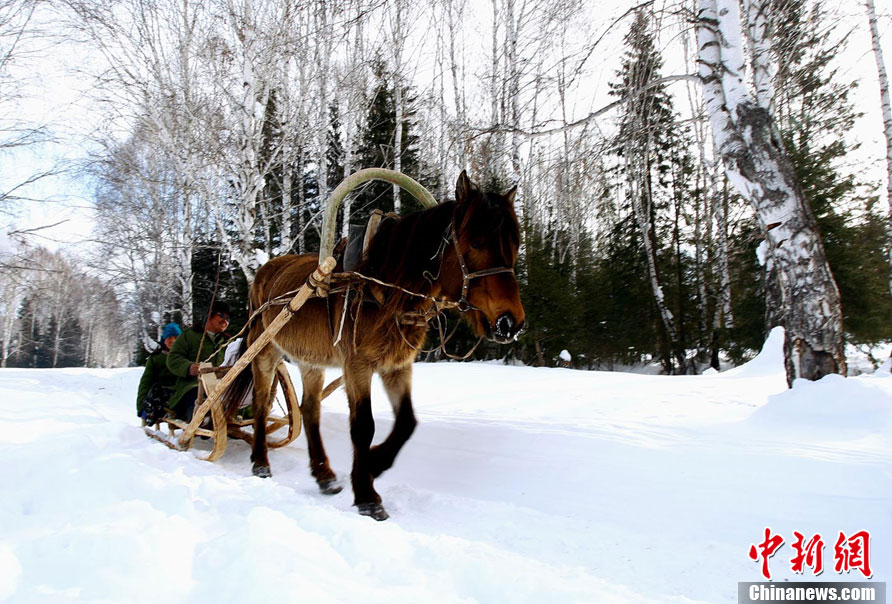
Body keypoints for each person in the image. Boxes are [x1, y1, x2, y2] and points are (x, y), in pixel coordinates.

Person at [166, 301, 231, 421]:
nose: (225, 320)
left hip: (220, 387)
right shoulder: (189, 335)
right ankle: (202, 419)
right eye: (221, 315)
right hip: (191, 387)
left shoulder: (227, 341)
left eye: (228, 318)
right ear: (210, 314)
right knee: (198, 394)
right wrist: (188, 367)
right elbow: (173, 358)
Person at [137, 322, 182, 423]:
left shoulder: (185, 357)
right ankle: (152, 411)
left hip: (180, 393)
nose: (173, 341)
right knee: (156, 391)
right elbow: (146, 382)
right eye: (169, 338)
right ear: (164, 340)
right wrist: (141, 407)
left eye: (176, 337)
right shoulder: (156, 358)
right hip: (162, 394)